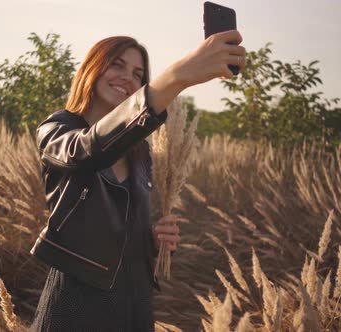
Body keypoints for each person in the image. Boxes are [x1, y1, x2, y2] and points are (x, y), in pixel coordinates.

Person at [29, 30, 245, 331]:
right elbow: (88, 151)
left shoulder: (140, 152)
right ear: (92, 68)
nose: (127, 77)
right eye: (117, 65)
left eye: (138, 73)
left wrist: (152, 241)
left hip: (133, 303)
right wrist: (176, 77)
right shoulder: (58, 130)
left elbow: (119, 231)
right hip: (77, 302)